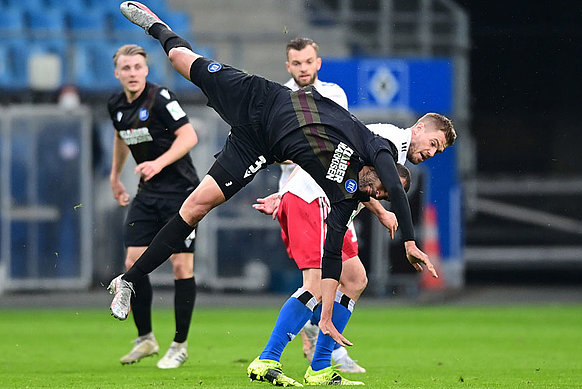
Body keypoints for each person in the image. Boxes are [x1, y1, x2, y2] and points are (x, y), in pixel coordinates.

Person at [109, 1, 456, 383]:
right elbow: (391, 179)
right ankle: (155, 25)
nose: (378, 193)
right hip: (261, 97)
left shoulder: (347, 193)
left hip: (260, 147)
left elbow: (332, 254)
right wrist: (410, 240)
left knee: (195, 206)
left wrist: (324, 316)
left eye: (381, 196)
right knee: (181, 59)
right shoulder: (376, 143)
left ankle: (128, 281)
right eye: (382, 190)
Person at [248, 159, 411, 386]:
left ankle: (320, 367)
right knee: (314, 285)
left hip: (329, 207)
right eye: (434, 144)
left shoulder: (365, 181)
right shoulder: (383, 142)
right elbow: (314, 154)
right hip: (311, 201)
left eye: (385, 195)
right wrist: (284, 192)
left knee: (355, 279)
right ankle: (266, 360)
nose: (379, 194)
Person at [277, 37, 366, 375]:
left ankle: (322, 340)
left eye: (308, 62)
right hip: (302, 196)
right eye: (296, 63)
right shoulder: (280, 98)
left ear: (318, 63)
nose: (303, 69)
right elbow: (280, 152)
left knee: (355, 278)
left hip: (336, 196)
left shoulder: (335, 94)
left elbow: (340, 143)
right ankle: (295, 353)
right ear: (288, 66)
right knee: (313, 281)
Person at [108, 43, 200, 369]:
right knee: (133, 260)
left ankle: (180, 344)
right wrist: (115, 175)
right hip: (147, 193)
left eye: (138, 67)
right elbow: (122, 137)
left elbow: (189, 137)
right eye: (126, 68)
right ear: (117, 72)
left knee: (180, 266)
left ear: (146, 70)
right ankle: (146, 338)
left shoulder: (160, 97)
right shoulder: (116, 105)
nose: (132, 73)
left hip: (182, 194)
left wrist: (158, 163)